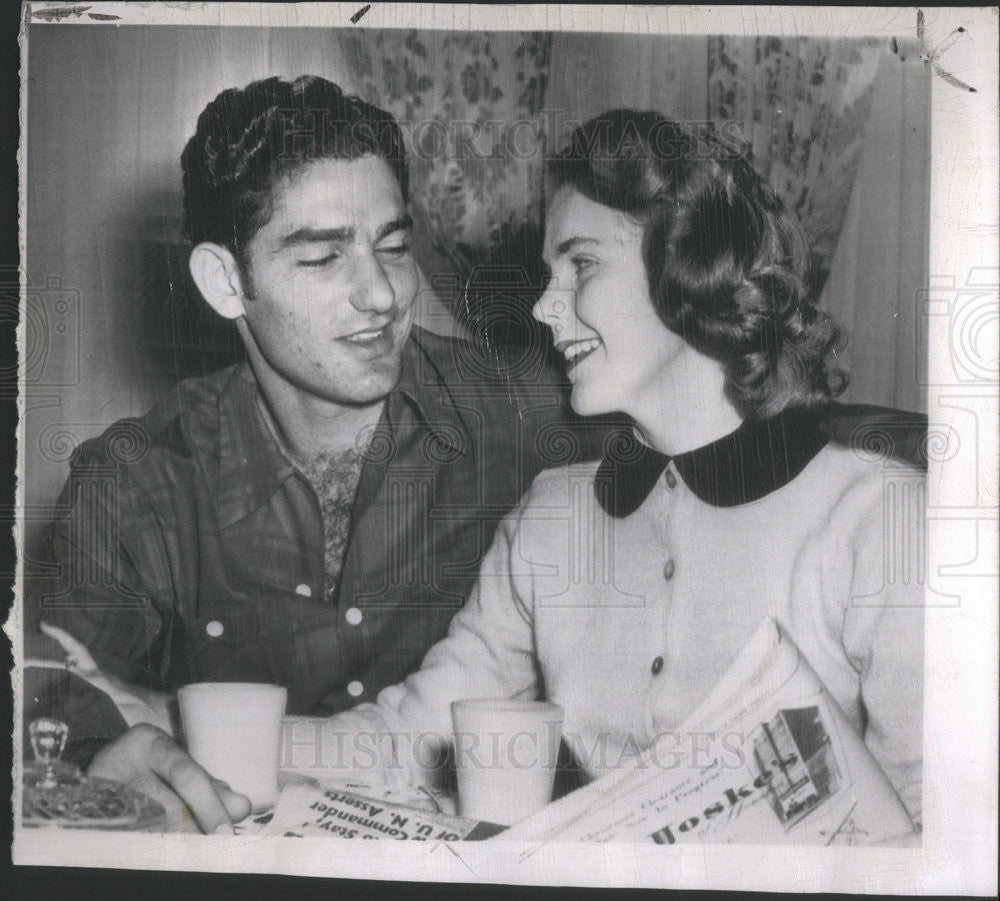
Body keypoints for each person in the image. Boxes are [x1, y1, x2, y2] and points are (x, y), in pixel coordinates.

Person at [314, 110, 924, 829]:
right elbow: (415, 737)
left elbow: (940, 830)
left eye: (582, 264)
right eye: (549, 273)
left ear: (693, 267)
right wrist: (176, 730)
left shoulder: (882, 517)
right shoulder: (551, 514)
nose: (544, 307)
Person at [24, 75, 565, 833]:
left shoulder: (530, 414)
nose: (380, 294)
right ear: (224, 281)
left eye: (395, 246)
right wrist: (94, 763)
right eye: (322, 258)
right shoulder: (133, 486)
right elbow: (54, 700)